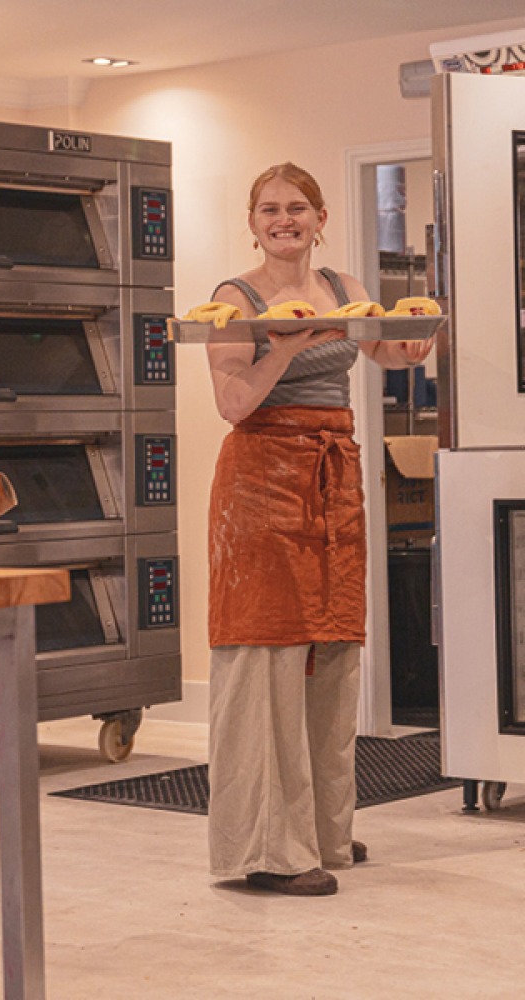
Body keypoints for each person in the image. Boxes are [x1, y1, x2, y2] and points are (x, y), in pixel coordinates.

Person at [204, 162, 433, 896]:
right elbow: (233, 403)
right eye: (269, 208)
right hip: (261, 481)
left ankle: (323, 829)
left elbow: (379, 350)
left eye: (297, 208)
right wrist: (285, 347)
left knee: (330, 652)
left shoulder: (344, 288)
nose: (284, 220)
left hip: (332, 477)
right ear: (253, 220)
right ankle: (268, 849)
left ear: (319, 215)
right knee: (267, 658)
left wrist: (410, 349)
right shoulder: (232, 300)